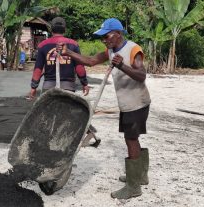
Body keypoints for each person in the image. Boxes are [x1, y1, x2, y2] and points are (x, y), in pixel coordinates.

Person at [57, 18, 151, 199]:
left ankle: (133, 187)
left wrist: (122, 65)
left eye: (106, 36)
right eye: (102, 37)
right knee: (133, 138)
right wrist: (68, 52)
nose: (104, 40)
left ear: (118, 34)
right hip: (127, 104)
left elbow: (141, 75)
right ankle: (140, 176)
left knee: (130, 139)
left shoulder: (133, 49)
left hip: (137, 103)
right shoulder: (110, 50)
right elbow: (91, 61)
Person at [29, 17, 89, 98]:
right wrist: (84, 83)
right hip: (68, 86)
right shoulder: (73, 44)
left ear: (51, 29)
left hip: (49, 86)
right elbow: (79, 67)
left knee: (48, 110)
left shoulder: (43, 45)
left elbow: (38, 68)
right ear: (65, 29)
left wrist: (33, 87)